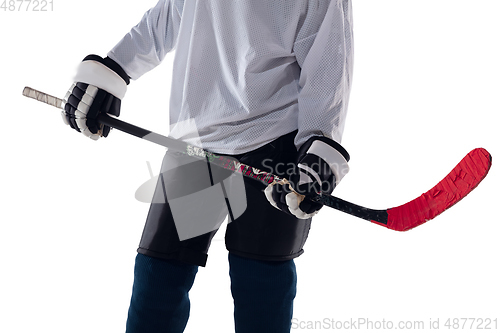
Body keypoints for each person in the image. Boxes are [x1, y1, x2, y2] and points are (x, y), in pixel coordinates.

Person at [61, 0, 353, 332]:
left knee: (260, 287)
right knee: (158, 281)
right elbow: (167, 18)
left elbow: (328, 68)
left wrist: (318, 155)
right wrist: (114, 70)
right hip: (196, 143)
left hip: (276, 147)